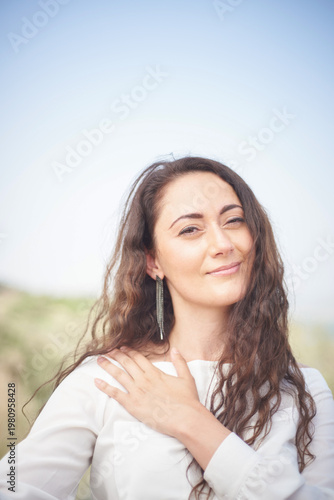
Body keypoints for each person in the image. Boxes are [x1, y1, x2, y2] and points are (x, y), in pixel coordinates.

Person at [0, 155, 333, 500]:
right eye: (191, 229)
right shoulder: (111, 380)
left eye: (234, 220)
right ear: (153, 261)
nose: (223, 244)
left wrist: (190, 420)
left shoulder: (304, 389)